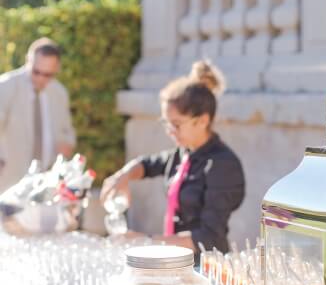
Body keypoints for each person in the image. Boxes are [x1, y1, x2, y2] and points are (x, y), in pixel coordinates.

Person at [100, 61, 245, 256]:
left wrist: (146, 241)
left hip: (205, 267)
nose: (170, 132)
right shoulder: (184, 152)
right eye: (166, 124)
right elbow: (149, 164)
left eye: (176, 125)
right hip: (176, 260)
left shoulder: (222, 165)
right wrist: (123, 176)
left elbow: (208, 238)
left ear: (202, 120)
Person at [0, 39, 75, 194]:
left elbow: (67, 132)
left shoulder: (60, 93)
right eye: (36, 71)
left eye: (47, 74)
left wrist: (66, 145)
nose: (41, 78)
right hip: (10, 178)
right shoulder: (6, 86)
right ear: (28, 60)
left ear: (57, 68)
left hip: (46, 180)